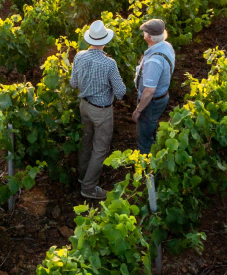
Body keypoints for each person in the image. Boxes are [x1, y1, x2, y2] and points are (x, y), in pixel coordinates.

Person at [69, 20, 127, 200]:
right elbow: (121, 92)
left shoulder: (79, 56)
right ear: (105, 41)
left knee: (86, 141)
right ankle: (88, 187)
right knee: (100, 148)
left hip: (84, 106)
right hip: (101, 111)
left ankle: (82, 176)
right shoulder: (109, 64)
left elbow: (73, 83)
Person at [132, 19, 175, 155]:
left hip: (152, 102)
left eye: (145, 32)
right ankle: (155, 149)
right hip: (161, 96)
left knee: (144, 137)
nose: (144, 34)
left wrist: (138, 110)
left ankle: (147, 171)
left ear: (148, 37)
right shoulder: (166, 46)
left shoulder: (154, 61)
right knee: (151, 125)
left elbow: (149, 91)